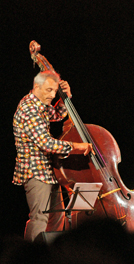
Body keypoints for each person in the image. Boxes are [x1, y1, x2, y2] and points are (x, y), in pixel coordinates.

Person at [13, 70, 93, 241]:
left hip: (47, 171)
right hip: (34, 171)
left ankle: (51, 255)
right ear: (37, 86)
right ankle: (30, 257)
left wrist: (66, 97)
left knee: (57, 218)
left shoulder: (40, 104)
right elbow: (46, 143)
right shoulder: (29, 109)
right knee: (40, 218)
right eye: (49, 90)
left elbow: (56, 115)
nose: (52, 95)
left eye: (55, 91)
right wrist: (78, 146)